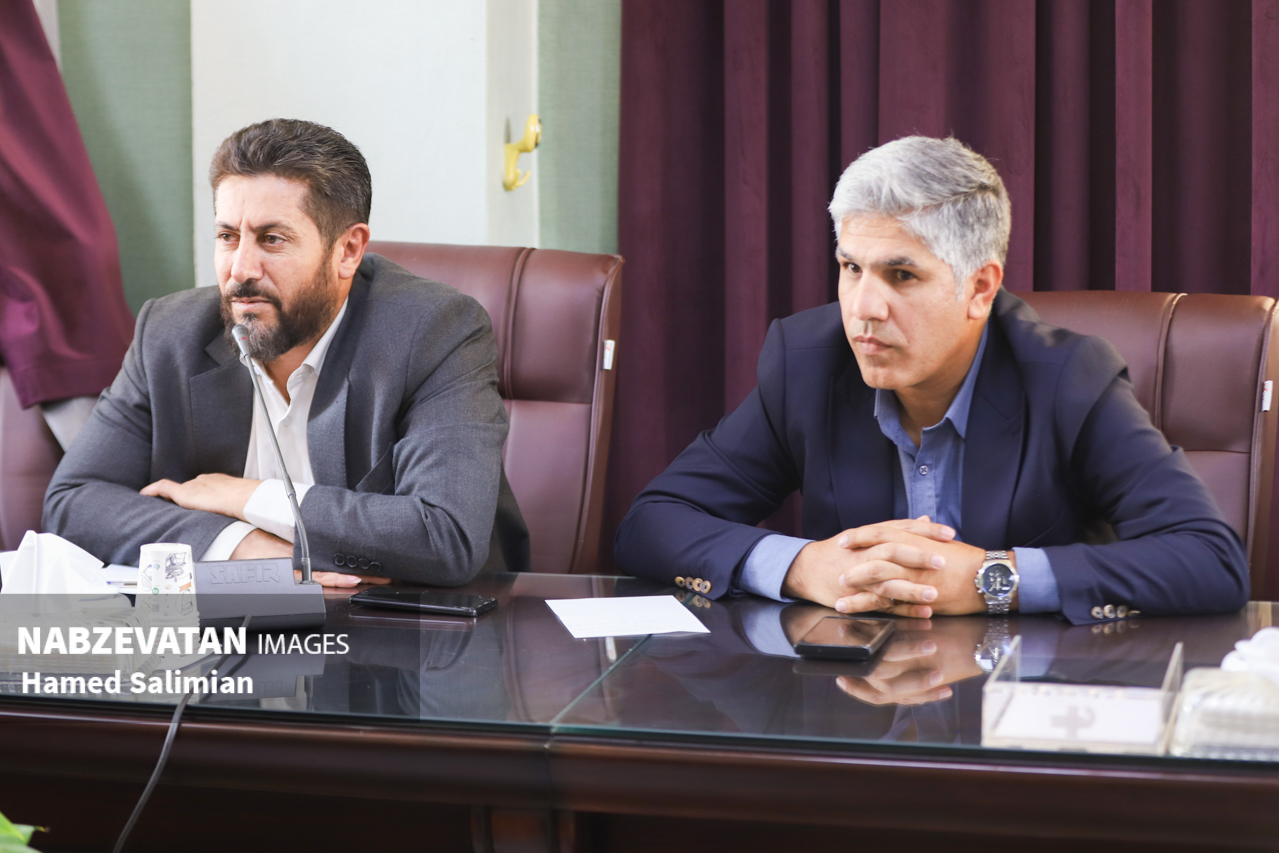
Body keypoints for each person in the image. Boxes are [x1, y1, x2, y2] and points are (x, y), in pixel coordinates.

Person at [615, 136, 1247, 625]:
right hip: (849, 714)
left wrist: (993, 580)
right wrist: (803, 566)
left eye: (902, 275)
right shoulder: (808, 362)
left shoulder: (1067, 379)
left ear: (980, 288)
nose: (863, 308)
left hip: (1016, 715)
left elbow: (1210, 559)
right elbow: (654, 521)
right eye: (851, 268)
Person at [44, 119, 528, 586]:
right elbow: (73, 502)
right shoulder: (171, 333)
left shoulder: (435, 331)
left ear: (347, 251)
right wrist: (243, 544)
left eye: (272, 239)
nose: (240, 270)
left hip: (419, 626)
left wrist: (246, 497)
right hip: (239, 628)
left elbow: (445, 536)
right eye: (228, 236)